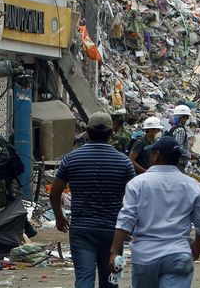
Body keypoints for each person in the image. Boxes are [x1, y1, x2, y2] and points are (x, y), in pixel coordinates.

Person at [50, 112, 136, 288]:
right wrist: (129, 226)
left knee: (84, 278)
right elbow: (133, 199)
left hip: (81, 229)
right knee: (111, 281)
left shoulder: (71, 159)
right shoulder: (124, 162)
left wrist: (59, 217)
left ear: (87, 131)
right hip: (113, 231)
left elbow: (54, 193)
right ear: (112, 132)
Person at [110, 137, 200, 287]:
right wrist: (197, 245)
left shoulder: (138, 183)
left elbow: (126, 219)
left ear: (156, 155)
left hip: (145, 256)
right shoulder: (192, 185)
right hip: (178, 254)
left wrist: (114, 251)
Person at [166, 105, 199, 171]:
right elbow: (179, 148)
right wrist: (190, 155)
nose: (187, 120)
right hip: (177, 162)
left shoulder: (173, 127)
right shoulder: (180, 130)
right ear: (183, 117)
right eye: (187, 117)